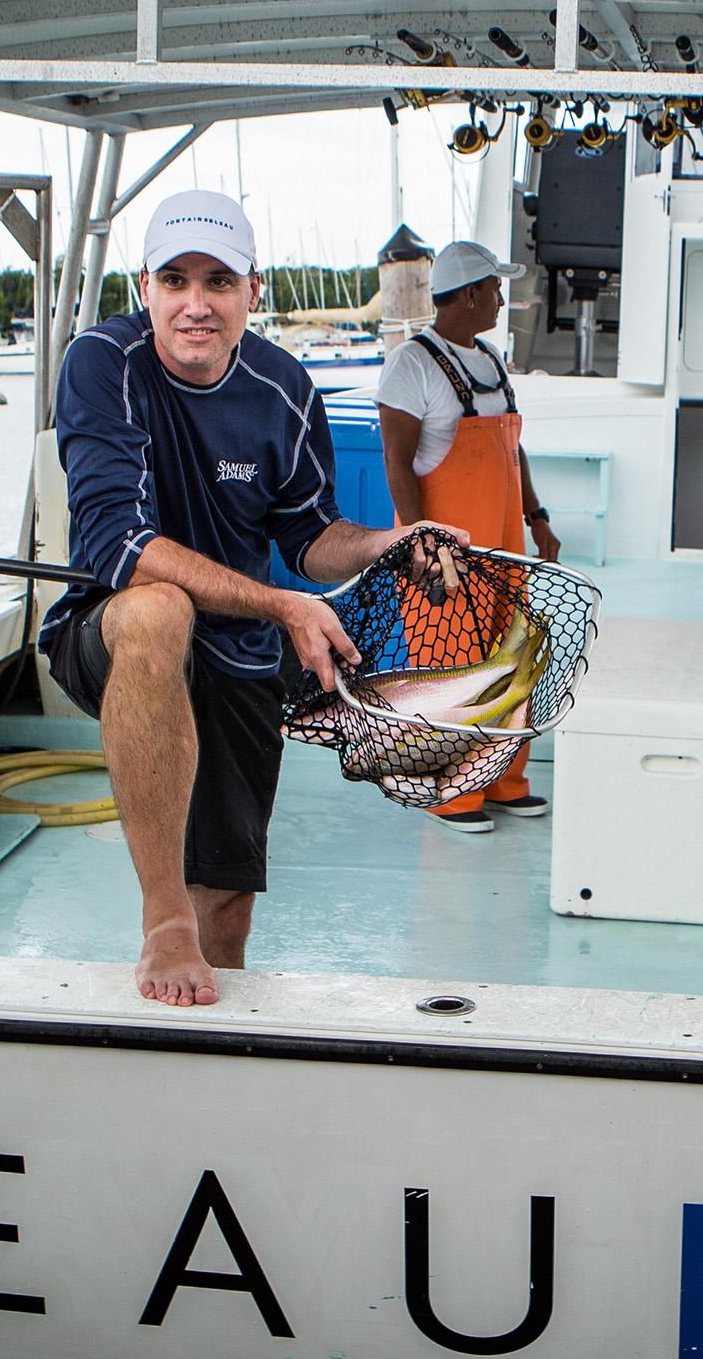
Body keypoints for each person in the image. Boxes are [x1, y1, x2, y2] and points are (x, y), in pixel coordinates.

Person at [43, 189, 447, 1009]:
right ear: (144, 286)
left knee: (226, 903)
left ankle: (198, 1015)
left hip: (240, 653)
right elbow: (118, 547)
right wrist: (285, 606)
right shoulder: (99, 363)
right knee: (163, 609)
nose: (197, 304)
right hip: (110, 630)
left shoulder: (286, 387)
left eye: (219, 282)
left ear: (253, 292)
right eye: (176, 280)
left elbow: (309, 537)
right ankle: (163, 918)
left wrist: (388, 543)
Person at [373, 239, 561, 835]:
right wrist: (418, 542)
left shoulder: (492, 361)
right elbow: (398, 461)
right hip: (446, 549)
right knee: (450, 665)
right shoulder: (413, 364)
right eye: (496, 290)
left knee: (514, 658)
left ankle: (505, 782)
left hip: (506, 546)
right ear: (470, 293)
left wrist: (537, 516)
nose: (502, 301)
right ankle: (449, 795)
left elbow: (512, 449)